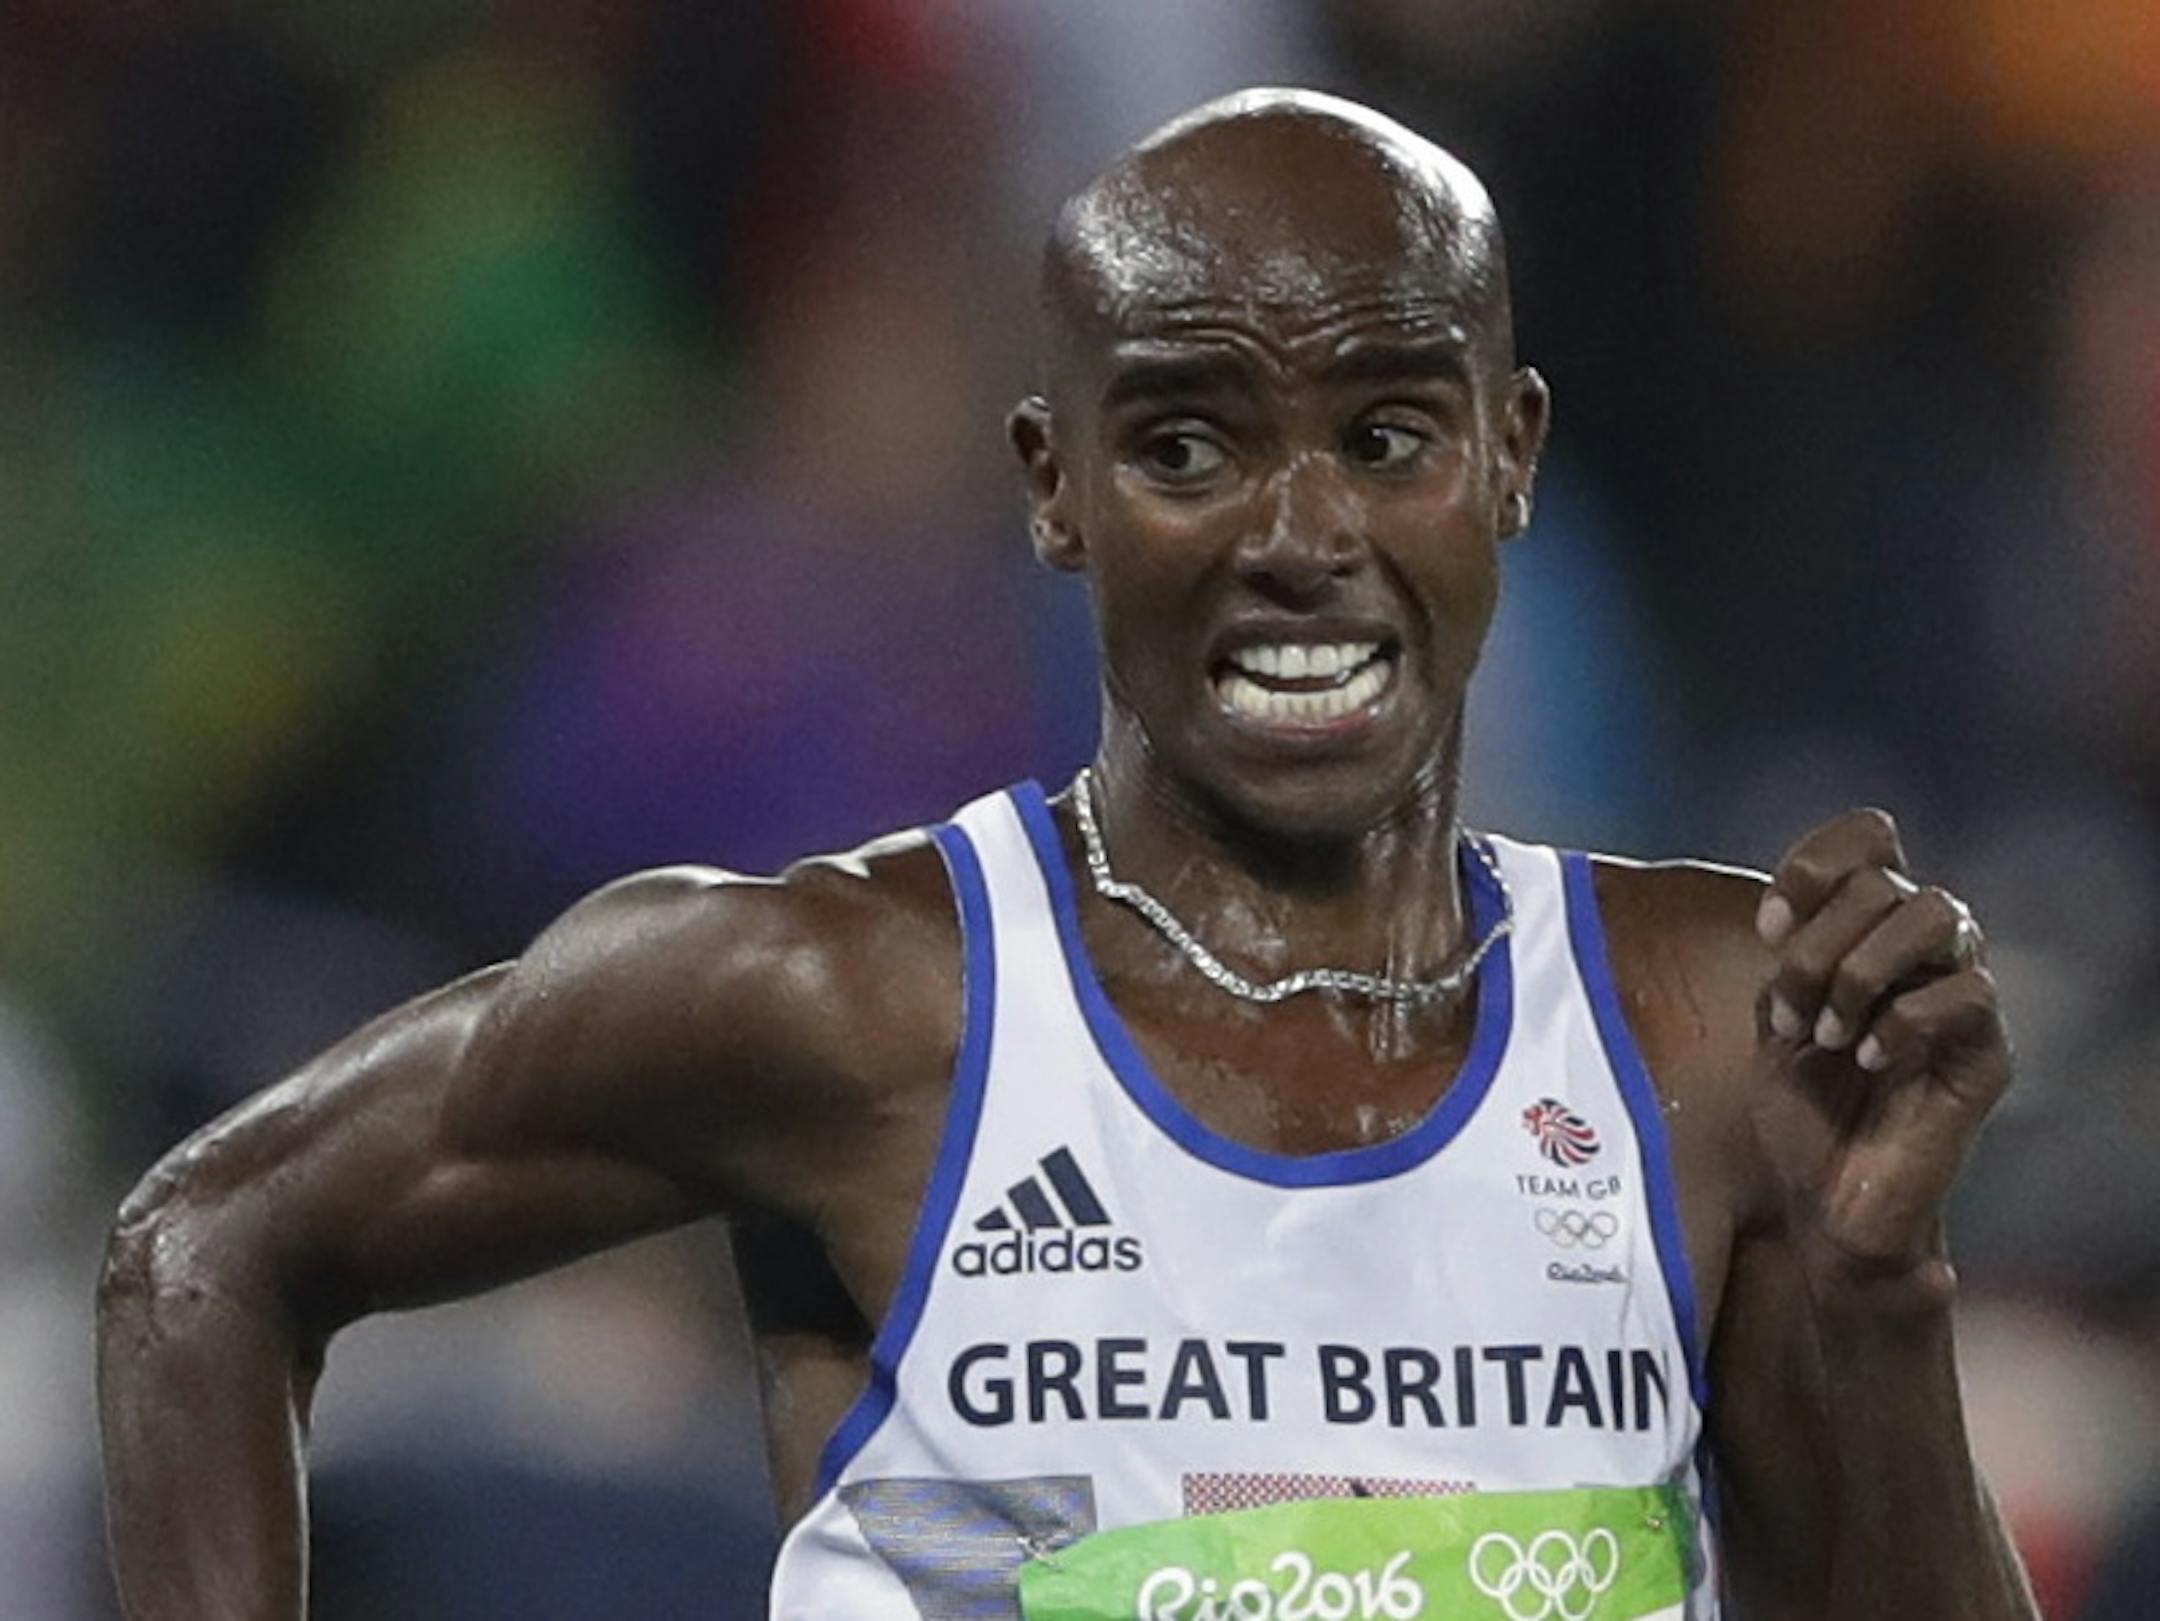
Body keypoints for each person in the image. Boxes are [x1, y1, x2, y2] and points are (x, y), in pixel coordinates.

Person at [96, 88, 2039, 1620]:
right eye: (1191, 446)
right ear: (1057, 485)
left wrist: (1875, 1305)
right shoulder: (853, 1001)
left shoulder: (1707, 1031)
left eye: (1387, 436)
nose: (1302, 530)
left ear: (1509, 456)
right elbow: (207, 1248)